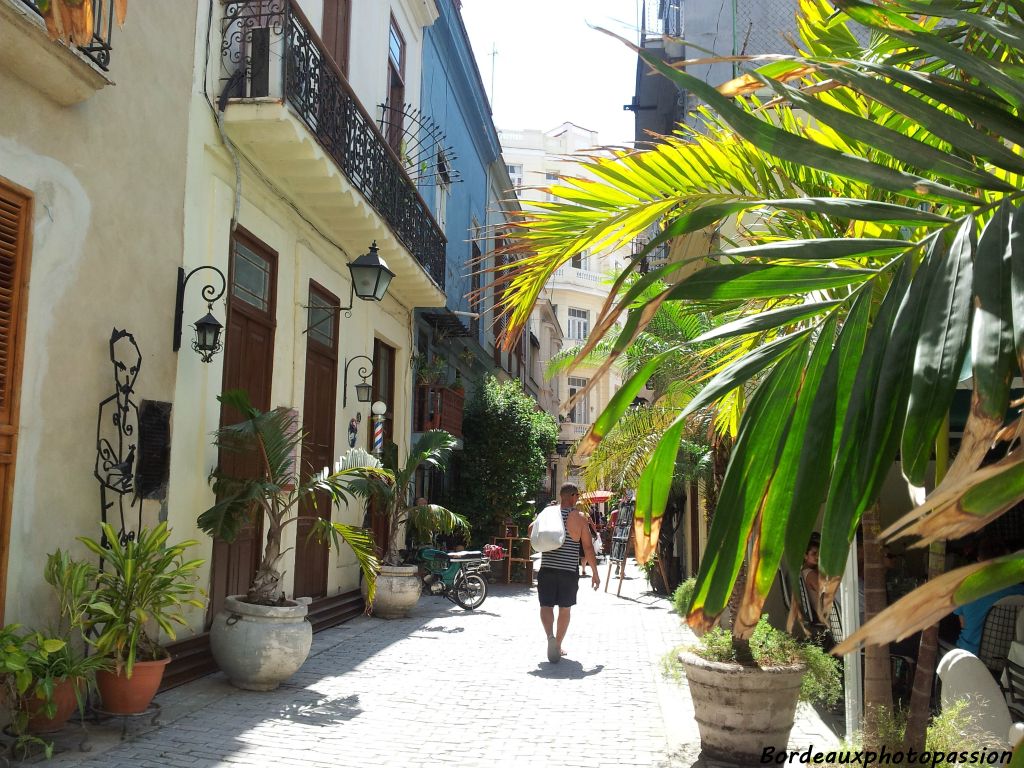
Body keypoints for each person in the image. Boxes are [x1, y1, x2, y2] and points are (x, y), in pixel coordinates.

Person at [529, 482, 599, 663]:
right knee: (565, 609)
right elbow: (588, 548)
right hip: (568, 571)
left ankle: (550, 638)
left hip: (547, 568)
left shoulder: (549, 514)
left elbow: (530, 529)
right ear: (573, 496)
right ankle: (558, 645)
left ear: (561, 496)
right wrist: (595, 573)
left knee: (546, 606)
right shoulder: (579, 518)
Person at [954, 539, 1024, 655]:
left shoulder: (966, 588)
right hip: (1008, 659)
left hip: (970, 657)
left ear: (979, 560)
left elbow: (963, 624)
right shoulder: (1020, 591)